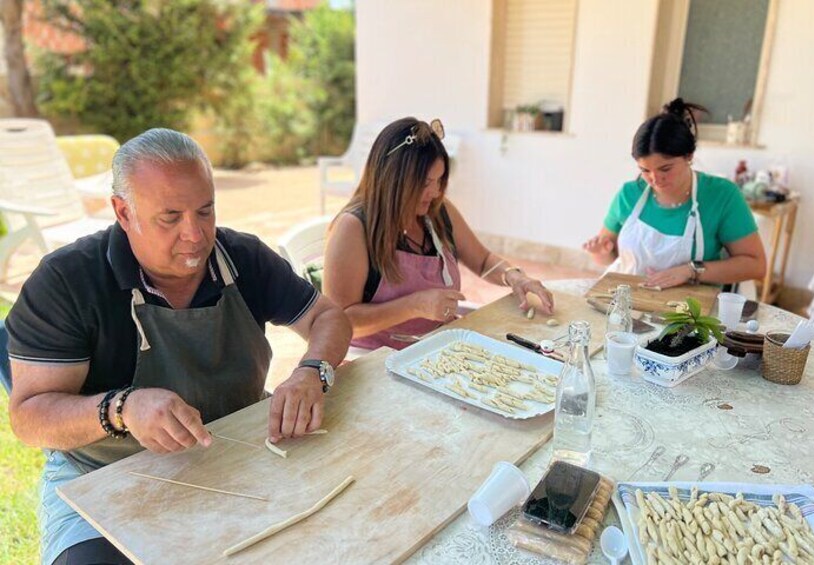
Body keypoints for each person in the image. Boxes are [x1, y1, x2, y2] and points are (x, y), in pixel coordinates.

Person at [5, 128, 352, 565]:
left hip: (236, 447)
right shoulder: (65, 282)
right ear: (123, 212)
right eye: (170, 217)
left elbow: (329, 317)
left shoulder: (242, 257)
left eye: (205, 211)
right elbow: (30, 416)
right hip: (103, 476)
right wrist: (121, 409)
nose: (195, 235)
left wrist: (312, 371)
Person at [323, 117, 554, 350]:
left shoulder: (438, 212)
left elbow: (483, 261)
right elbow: (339, 321)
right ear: (393, 179)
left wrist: (514, 276)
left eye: (439, 180)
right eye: (424, 183)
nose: (435, 192)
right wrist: (415, 305)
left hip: (434, 345)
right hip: (372, 357)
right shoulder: (352, 228)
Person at [583, 98, 766, 289]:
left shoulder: (721, 195)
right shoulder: (629, 194)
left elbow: (755, 265)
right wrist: (601, 253)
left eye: (665, 168)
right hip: (628, 299)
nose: (655, 179)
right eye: (645, 170)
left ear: (689, 156)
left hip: (689, 311)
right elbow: (607, 258)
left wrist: (691, 270)